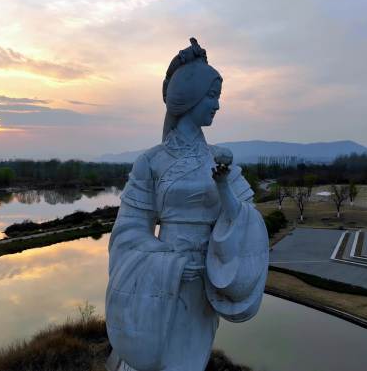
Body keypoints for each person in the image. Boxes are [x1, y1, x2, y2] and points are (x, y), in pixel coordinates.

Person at [105, 38, 269, 371]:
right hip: (166, 285)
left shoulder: (220, 161)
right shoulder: (151, 162)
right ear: (190, 97)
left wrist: (223, 186)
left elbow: (245, 221)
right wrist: (172, 266)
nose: (217, 106)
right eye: (212, 97)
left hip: (204, 287)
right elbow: (128, 233)